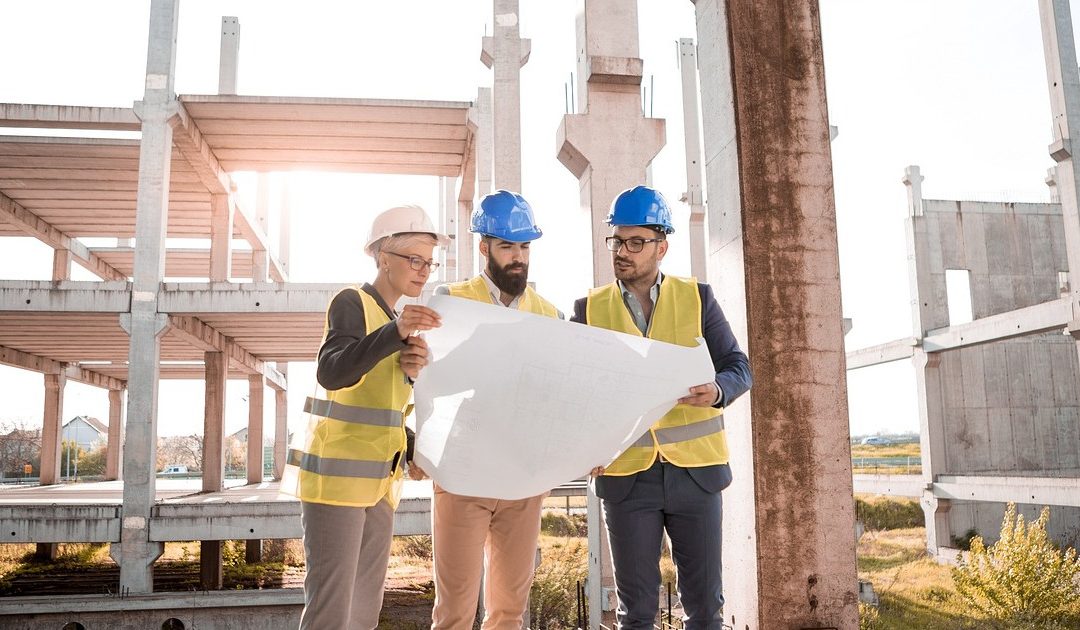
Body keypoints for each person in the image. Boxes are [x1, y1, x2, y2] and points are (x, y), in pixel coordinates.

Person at [571, 185, 752, 629]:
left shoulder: (697, 298)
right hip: (628, 480)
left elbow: (739, 366)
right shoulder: (588, 309)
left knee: (705, 607)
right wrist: (581, 448)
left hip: (697, 476)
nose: (623, 251)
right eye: (617, 241)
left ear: (662, 246)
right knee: (636, 614)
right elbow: (574, 391)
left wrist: (716, 390)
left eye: (636, 242)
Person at [281, 204, 448, 630]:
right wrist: (395, 335)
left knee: (363, 613)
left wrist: (414, 441)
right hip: (336, 485)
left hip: (379, 485)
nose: (423, 270)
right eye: (414, 259)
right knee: (331, 611)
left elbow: (382, 411)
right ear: (381, 256)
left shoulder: (395, 321)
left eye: (429, 262)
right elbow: (333, 371)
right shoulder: (352, 302)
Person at [425, 190, 561, 630]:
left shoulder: (550, 316)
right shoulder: (451, 300)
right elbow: (426, 382)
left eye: (524, 246)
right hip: (464, 477)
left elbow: (558, 397)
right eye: (507, 246)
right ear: (484, 247)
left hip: (522, 481)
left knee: (508, 613)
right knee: (454, 614)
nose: (518, 257)